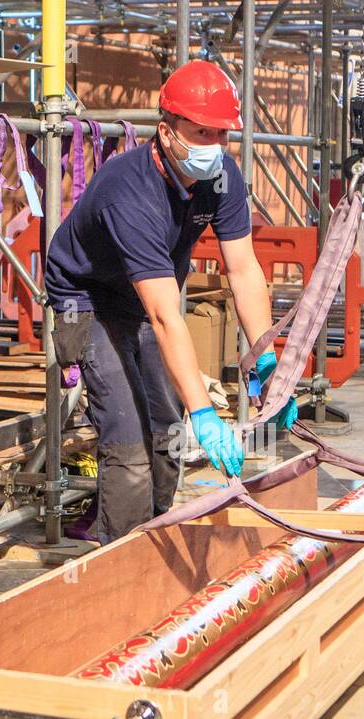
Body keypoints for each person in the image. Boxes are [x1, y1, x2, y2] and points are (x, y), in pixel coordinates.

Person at [44, 60, 296, 545]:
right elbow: (164, 316)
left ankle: (150, 534)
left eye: (222, 134)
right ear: (166, 131)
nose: (214, 147)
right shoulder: (129, 192)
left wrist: (267, 358)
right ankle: (119, 559)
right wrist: (205, 413)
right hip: (90, 297)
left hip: (147, 293)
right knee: (130, 439)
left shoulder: (221, 177)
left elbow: (243, 270)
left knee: (166, 430)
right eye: (201, 132)